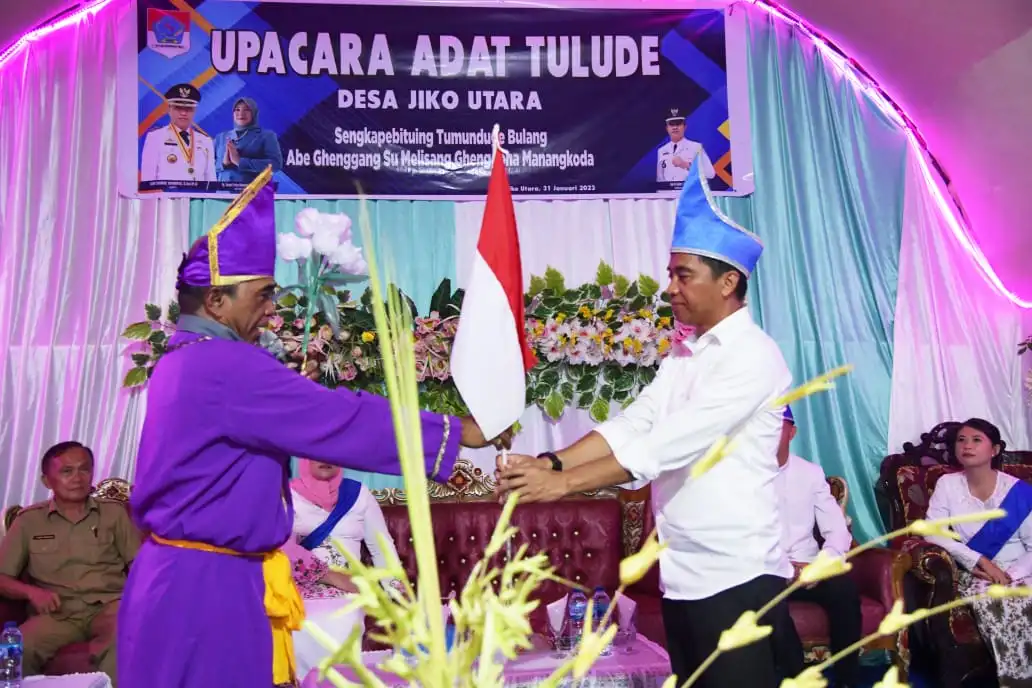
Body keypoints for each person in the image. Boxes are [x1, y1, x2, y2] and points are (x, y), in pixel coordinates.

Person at [116, 166, 509, 688]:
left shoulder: (180, 360)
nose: (272, 310)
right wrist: (455, 432)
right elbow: (337, 418)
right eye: (261, 296)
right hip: (208, 595)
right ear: (215, 301)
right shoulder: (225, 366)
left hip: (182, 583)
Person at [498, 153, 795, 688]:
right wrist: (550, 459)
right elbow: (634, 423)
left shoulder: (753, 355)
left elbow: (669, 445)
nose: (671, 288)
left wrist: (562, 485)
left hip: (736, 576)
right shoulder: (685, 355)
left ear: (728, 282)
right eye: (671, 275)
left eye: (684, 276)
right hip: (683, 575)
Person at [0, 442, 139, 685]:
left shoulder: (114, 514)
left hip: (109, 607)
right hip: (57, 612)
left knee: (125, 638)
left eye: (84, 470)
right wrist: (31, 592)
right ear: (47, 481)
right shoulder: (29, 521)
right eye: (67, 471)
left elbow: (140, 565)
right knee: (13, 650)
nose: (77, 478)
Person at [922, 418, 1032, 686]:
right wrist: (979, 561)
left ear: (994, 450)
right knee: (997, 599)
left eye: (976, 440)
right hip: (977, 572)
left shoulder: (1018, 491)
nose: (967, 446)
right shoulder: (947, 485)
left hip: (1021, 568)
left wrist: (1011, 574)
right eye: (961, 440)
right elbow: (931, 532)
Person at [770, 406, 861, 687]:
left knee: (844, 590)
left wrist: (822, 564)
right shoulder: (741, 476)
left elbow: (836, 529)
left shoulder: (810, 473)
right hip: (766, 569)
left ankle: (848, 680)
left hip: (810, 567)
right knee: (765, 598)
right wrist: (785, 569)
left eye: (777, 425)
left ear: (792, 432)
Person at [286, 459, 402, 676]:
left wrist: (395, 594)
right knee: (300, 626)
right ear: (303, 457)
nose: (325, 459)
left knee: (343, 622)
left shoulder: (358, 495)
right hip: (300, 592)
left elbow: (382, 548)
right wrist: (330, 576)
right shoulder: (288, 496)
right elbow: (282, 550)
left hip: (350, 594)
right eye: (316, 453)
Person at [140, 83, 216, 184]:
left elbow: (211, 179)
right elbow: (148, 180)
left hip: (197, 199)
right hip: (167, 199)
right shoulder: (155, 137)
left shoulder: (206, 141)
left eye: (188, 109)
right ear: (169, 109)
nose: (183, 113)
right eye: (178, 108)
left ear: (194, 111)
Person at [214, 97, 283, 184]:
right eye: (237, 110)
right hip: (223, 193)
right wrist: (223, 164)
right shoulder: (221, 137)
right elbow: (207, 166)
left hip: (253, 193)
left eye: (246, 110)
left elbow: (275, 164)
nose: (241, 113)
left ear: (254, 113)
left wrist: (240, 162)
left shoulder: (266, 136)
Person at [656, 107, 708, 183]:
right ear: (667, 128)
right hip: (667, 193)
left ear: (685, 127)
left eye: (678, 124)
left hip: (689, 192)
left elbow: (710, 173)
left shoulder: (696, 147)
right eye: (671, 124)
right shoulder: (662, 150)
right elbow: (660, 178)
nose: (675, 127)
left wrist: (686, 165)